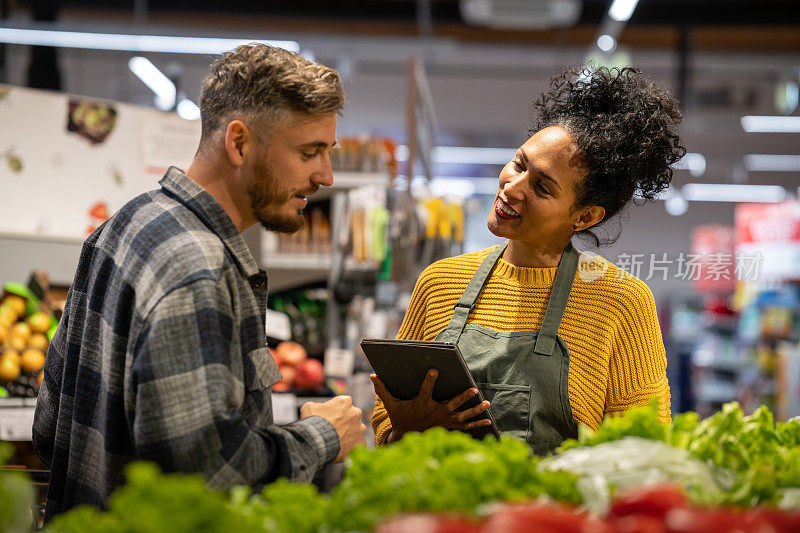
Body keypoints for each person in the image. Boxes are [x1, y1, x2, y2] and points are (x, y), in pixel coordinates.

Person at [33, 44, 366, 520]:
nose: (326, 176)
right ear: (238, 143)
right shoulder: (200, 268)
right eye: (309, 152)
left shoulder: (125, 223)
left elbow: (50, 428)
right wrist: (320, 437)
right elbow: (205, 475)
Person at [371, 66, 685, 455]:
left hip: (551, 513)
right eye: (519, 164)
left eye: (542, 187)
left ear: (584, 217)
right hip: (438, 511)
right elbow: (388, 419)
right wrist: (405, 431)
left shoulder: (620, 301)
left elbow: (643, 448)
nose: (512, 187)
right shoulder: (440, 282)